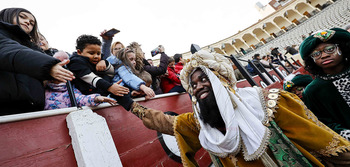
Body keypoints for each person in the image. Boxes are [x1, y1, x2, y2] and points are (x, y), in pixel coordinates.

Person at [128, 50, 350, 166]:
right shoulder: (200, 122)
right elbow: (166, 123)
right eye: (193, 85)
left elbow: (322, 141)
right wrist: (130, 105)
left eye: (204, 79)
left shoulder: (268, 102)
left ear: (222, 79)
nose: (198, 87)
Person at [0, 8, 74, 115]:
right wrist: (48, 67)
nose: (27, 22)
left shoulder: (32, 48)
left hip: (32, 109)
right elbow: (10, 50)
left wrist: (51, 78)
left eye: (31, 23)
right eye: (22, 17)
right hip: (6, 108)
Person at [299, 28, 350, 140]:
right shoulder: (313, 91)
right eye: (316, 54)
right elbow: (324, 123)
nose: (324, 56)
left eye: (330, 49)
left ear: (342, 48)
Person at [67, 34, 133, 110]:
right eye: (91, 53)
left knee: (121, 91)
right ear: (79, 52)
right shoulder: (75, 62)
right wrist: (110, 87)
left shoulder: (98, 61)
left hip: (103, 92)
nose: (96, 56)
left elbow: (111, 73)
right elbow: (91, 78)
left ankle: (137, 109)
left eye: (98, 53)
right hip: (87, 99)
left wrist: (105, 63)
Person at [45, 51, 117, 110]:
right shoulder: (43, 88)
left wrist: (96, 98)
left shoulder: (71, 91)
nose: (60, 74)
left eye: (64, 71)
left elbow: (82, 99)